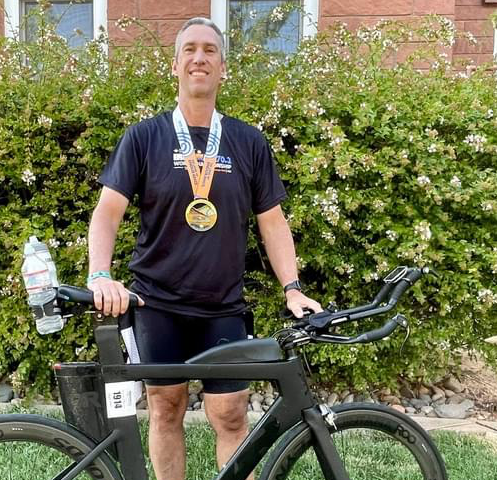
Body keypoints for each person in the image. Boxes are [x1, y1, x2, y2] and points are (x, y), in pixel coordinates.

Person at [86, 17, 322, 480]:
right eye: (190, 50)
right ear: (175, 65)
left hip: (222, 308)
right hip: (156, 303)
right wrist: (99, 275)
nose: (199, 58)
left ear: (222, 67)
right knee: (165, 408)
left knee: (232, 415)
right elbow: (107, 213)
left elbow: (272, 222)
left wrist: (292, 287)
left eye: (209, 50)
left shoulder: (248, 141)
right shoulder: (144, 137)